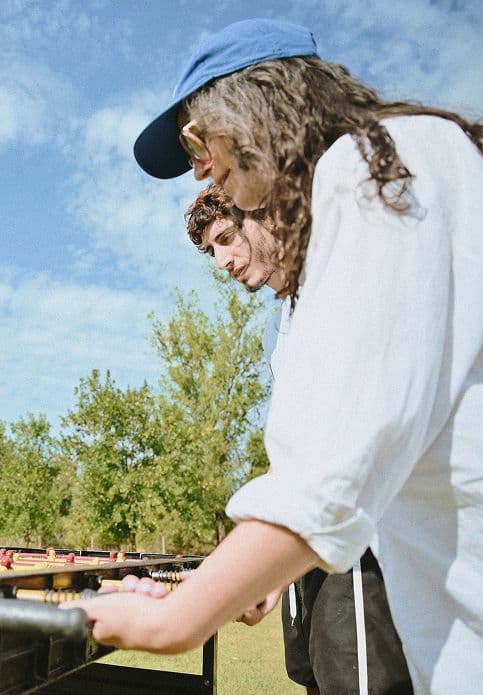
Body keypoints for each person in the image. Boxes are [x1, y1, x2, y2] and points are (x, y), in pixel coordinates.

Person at [67, 19, 483, 693]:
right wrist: (249, 577)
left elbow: (336, 465)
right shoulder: (364, 188)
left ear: (254, 102)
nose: (199, 167)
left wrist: (176, 620)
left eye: (196, 139)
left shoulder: (373, 160)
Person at [186, 184, 412, 694]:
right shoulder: (277, 326)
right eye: (212, 251)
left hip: (356, 542)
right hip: (304, 543)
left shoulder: (339, 286)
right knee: (311, 675)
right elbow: (291, 456)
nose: (223, 261)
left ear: (265, 215)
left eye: (227, 238)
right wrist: (267, 568)